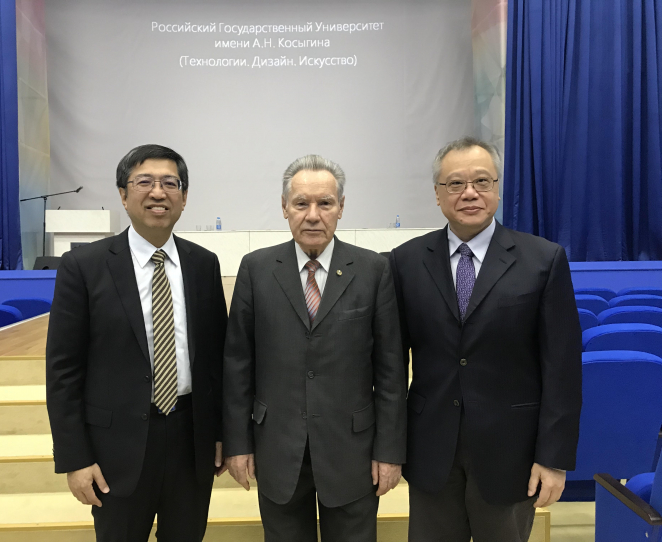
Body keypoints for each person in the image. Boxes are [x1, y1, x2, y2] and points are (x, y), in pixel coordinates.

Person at [390, 136, 582, 542]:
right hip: (430, 450)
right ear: (438, 196)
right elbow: (390, 365)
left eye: (481, 181)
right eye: (455, 184)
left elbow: (562, 368)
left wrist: (554, 458)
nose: (470, 193)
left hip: (512, 452)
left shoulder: (543, 260)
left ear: (498, 188)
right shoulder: (404, 262)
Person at [46, 144, 228, 542]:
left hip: (189, 442)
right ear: (123, 195)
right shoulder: (84, 267)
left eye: (170, 183)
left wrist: (219, 433)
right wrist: (75, 458)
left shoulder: (204, 264)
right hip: (115, 450)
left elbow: (214, 360)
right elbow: (63, 371)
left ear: (184, 196)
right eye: (144, 182)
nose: (158, 192)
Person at [222, 154, 407, 542]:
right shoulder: (256, 269)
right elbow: (238, 364)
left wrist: (390, 452)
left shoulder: (373, 270)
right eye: (301, 203)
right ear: (284, 209)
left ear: (341, 208)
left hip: (352, 452)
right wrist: (238, 444)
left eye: (325, 203)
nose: (312, 214)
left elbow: (390, 370)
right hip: (277, 448)